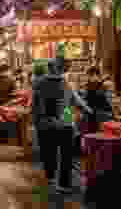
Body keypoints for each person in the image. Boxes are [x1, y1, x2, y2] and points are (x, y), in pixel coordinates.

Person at [32, 59, 93, 193]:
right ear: (60, 70)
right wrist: (88, 111)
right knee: (66, 155)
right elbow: (77, 100)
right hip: (65, 121)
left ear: (49, 69)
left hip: (46, 123)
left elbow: (35, 105)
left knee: (49, 151)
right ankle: (63, 184)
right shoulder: (65, 83)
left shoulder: (39, 84)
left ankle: (51, 176)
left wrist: (36, 122)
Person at [80, 66, 113, 135]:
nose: (93, 77)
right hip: (91, 117)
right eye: (90, 75)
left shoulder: (103, 87)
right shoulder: (87, 87)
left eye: (94, 75)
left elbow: (108, 103)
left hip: (101, 117)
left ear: (97, 75)